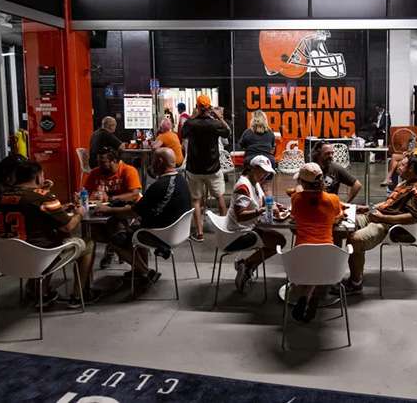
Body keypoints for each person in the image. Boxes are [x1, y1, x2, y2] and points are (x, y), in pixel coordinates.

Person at [0, 160, 96, 307]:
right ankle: (79, 296)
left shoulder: (0, 197)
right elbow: (68, 226)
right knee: (88, 244)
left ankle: (39, 291)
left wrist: (59, 208)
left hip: (9, 259)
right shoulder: (42, 197)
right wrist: (79, 213)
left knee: (50, 238)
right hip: (38, 258)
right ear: (38, 177)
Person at [94, 148, 192, 287]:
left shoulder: (158, 186)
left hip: (161, 235)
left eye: (152, 160)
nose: (151, 164)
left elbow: (132, 213)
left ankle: (145, 272)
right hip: (178, 231)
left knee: (116, 239)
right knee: (134, 228)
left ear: (159, 162)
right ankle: (140, 272)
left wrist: (108, 209)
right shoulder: (181, 180)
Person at [338, 154, 417, 295]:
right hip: (377, 217)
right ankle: (333, 274)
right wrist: (368, 208)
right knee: (340, 226)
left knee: (355, 239)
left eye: (402, 165)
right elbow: (389, 203)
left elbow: (413, 217)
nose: (398, 167)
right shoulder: (404, 183)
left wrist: (384, 218)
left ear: (411, 168)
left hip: (390, 226)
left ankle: (355, 282)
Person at [288, 162, 345, 322]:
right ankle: (312, 297)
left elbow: (295, 215)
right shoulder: (332, 199)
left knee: (311, 263)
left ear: (303, 183)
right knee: (319, 263)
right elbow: (337, 216)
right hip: (328, 258)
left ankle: (307, 295)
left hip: (300, 257)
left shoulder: (296, 199)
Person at [226, 155, 287, 293]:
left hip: (249, 227)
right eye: (262, 171)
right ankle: (246, 265)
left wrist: (274, 204)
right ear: (252, 168)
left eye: (267, 172)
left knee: (279, 241)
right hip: (238, 233)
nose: (265, 175)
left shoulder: (255, 182)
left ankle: (247, 266)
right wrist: (262, 210)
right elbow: (240, 216)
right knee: (279, 242)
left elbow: (262, 200)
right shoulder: (243, 186)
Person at [180, 94, 230, 242]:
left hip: (194, 168)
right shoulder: (214, 124)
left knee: (196, 200)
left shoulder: (191, 124)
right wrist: (219, 117)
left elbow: (183, 134)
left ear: (197, 107)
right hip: (213, 168)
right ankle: (224, 231)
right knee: (220, 196)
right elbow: (227, 132)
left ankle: (200, 233)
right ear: (209, 108)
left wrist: (192, 116)